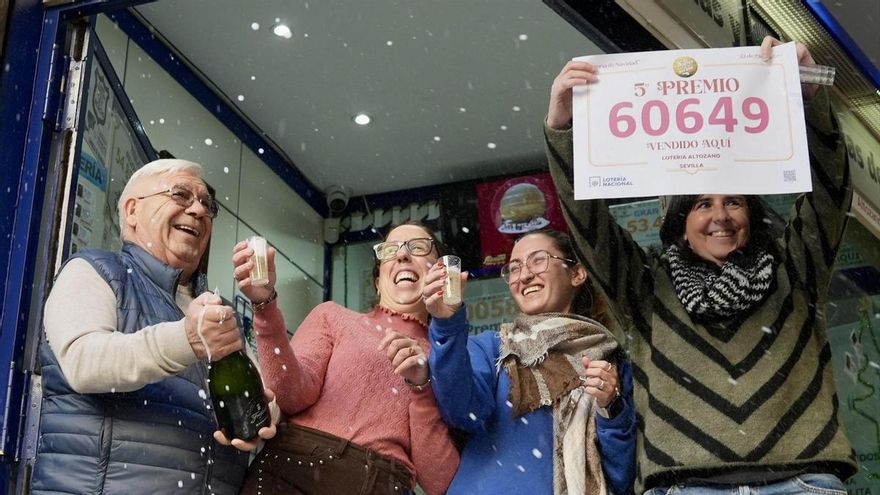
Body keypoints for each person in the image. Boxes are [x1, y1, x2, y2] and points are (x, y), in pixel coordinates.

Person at [544, 36, 857, 494]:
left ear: (751, 213)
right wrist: (563, 130)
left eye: (733, 200)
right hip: (685, 488)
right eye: (701, 204)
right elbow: (587, 222)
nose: (720, 216)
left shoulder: (795, 267)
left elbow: (830, 193)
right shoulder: (646, 286)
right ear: (680, 221)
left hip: (802, 482)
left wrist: (806, 96)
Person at [31, 159, 261, 494]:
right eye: (181, 195)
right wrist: (186, 339)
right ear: (132, 211)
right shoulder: (93, 271)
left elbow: (263, 394)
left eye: (206, 203)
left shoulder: (216, 309)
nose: (198, 210)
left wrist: (260, 411)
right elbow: (83, 362)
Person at [233, 221, 460, 495]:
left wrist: (421, 386)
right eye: (391, 250)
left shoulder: (448, 357)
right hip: (293, 470)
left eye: (419, 247)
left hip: (381, 483)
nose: (402, 255)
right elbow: (289, 395)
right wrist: (265, 307)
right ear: (378, 281)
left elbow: (440, 482)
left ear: (442, 273)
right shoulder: (333, 316)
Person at [425, 229, 636, 494]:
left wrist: (611, 409)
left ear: (577, 273)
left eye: (538, 260)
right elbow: (462, 412)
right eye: (514, 268)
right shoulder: (494, 348)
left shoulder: (609, 363)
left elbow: (620, 478)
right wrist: (446, 324)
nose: (524, 275)